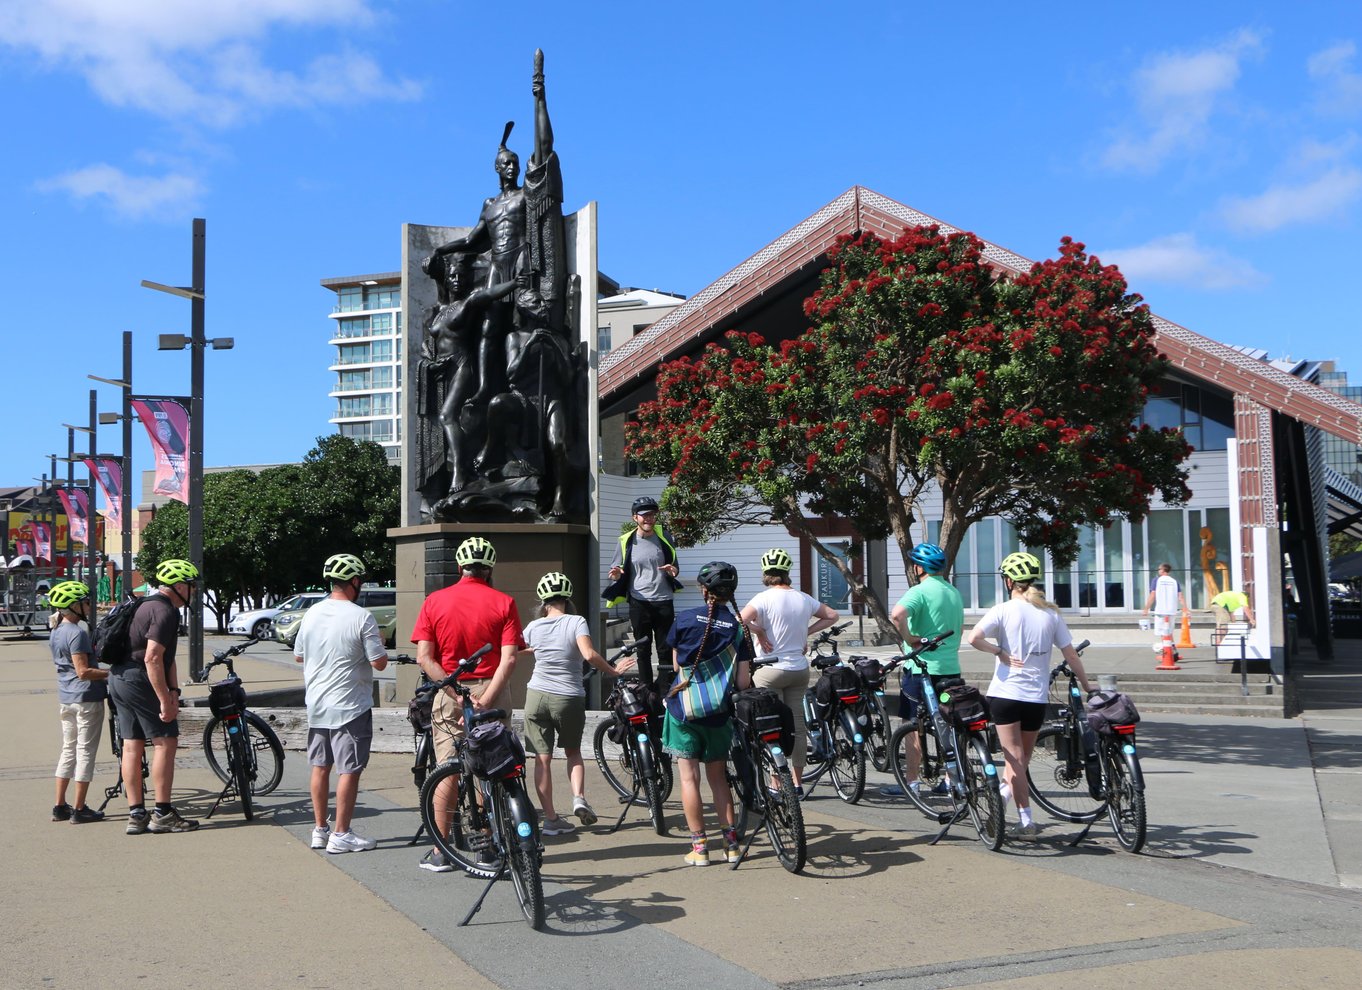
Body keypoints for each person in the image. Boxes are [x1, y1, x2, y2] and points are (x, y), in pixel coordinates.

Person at [412, 536, 525, 873]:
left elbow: (424, 658)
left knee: (447, 768)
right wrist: (485, 699)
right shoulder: (504, 602)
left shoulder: (435, 601)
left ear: (459, 567)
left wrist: (457, 695)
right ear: (490, 568)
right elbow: (509, 661)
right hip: (493, 691)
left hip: (450, 693)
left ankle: (440, 850)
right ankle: (488, 847)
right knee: (490, 766)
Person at [967, 552, 1091, 841]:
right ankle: (1015, 814)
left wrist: (999, 652)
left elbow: (973, 638)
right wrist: (1087, 686)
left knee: (1014, 760)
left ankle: (1012, 812)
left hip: (1006, 694)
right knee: (1020, 761)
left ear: (1009, 581)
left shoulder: (1003, 609)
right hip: (1036, 697)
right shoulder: (1051, 613)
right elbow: (1070, 653)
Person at [520, 571, 635, 836]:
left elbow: (514, 649)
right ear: (567, 599)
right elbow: (588, 654)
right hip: (568, 696)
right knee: (572, 752)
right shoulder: (576, 621)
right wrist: (613, 670)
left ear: (543, 601)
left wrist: (536, 650)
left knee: (542, 759)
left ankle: (550, 819)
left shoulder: (533, 627)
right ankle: (578, 799)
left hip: (536, 695)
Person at [293, 553, 389, 854]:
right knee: (349, 770)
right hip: (351, 705)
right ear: (355, 582)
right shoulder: (362, 617)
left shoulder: (310, 613)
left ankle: (320, 830)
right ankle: (342, 833)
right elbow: (380, 663)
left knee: (320, 766)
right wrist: (379, 644)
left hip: (317, 704)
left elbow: (298, 655)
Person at [664, 561, 752, 866]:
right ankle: (731, 847)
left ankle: (700, 849)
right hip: (719, 714)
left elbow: (677, 666)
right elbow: (743, 682)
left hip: (684, 710)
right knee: (718, 779)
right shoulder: (738, 628)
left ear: (704, 590)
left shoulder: (685, 619)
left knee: (689, 779)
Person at [109, 558, 200, 834]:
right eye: (192, 587)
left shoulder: (143, 605)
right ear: (179, 586)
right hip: (141, 679)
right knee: (165, 742)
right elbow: (153, 658)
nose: (193, 592)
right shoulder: (166, 612)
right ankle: (162, 812)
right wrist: (164, 699)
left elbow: (167, 659)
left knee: (132, 745)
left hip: (118, 678)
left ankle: (136, 815)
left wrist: (174, 691)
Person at [739, 548, 838, 791]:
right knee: (797, 725)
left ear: (766, 573)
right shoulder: (803, 598)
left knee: (771, 725)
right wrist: (807, 632)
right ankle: (796, 782)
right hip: (798, 670)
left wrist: (760, 631)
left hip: (769, 670)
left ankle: (776, 782)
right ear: (787, 572)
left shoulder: (762, 598)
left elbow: (739, 619)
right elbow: (832, 615)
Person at [884, 542, 965, 799]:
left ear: (920, 567)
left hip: (922, 670)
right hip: (951, 668)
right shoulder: (954, 592)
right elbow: (960, 629)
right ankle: (950, 780)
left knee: (913, 724)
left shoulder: (919, 591)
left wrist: (911, 638)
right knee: (950, 723)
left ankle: (912, 783)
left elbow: (896, 615)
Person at [605, 495, 684, 693]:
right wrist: (615, 575)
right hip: (639, 602)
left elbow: (675, 568)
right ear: (635, 518)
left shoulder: (664, 537)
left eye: (652, 515)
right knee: (643, 648)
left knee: (665, 649)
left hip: (664, 600)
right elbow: (616, 572)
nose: (649, 519)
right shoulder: (626, 541)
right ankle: (647, 688)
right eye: (644, 515)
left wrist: (672, 571)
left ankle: (666, 689)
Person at [47, 580, 107, 824]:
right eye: (85, 602)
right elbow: (83, 671)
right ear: (74, 607)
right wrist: (111, 674)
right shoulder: (76, 633)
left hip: (66, 697)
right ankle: (80, 809)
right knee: (85, 751)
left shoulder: (56, 631)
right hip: (86, 698)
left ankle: (60, 805)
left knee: (68, 749)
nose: (89, 606)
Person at [1142, 562, 1188, 666]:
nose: (1158, 571)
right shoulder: (1174, 581)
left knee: (1163, 633)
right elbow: (1180, 597)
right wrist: (1186, 609)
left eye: (1159, 569)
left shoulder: (1156, 580)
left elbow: (1152, 595)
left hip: (1161, 611)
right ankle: (1173, 652)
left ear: (1163, 570)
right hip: (1172, 611)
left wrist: (1146, 608)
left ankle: (1167, 654)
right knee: (1169, 631)